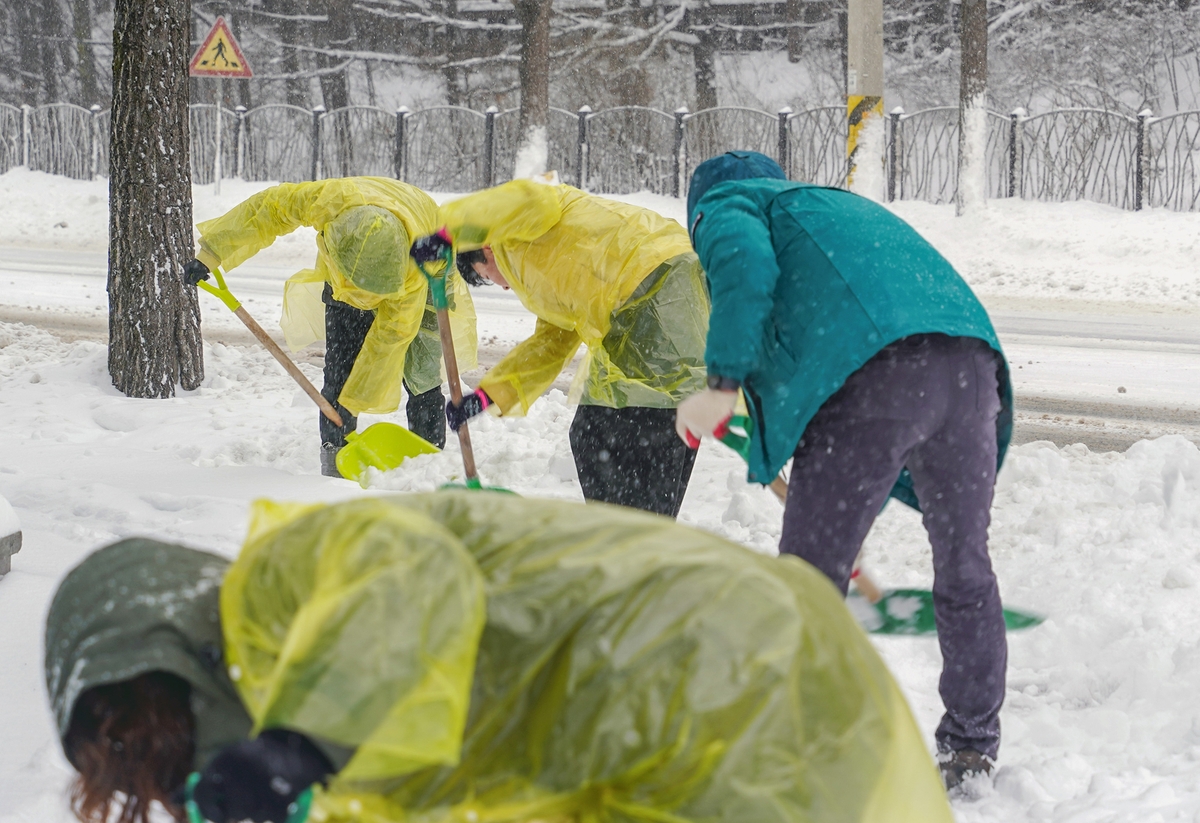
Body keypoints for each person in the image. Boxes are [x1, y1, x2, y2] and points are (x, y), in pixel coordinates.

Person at [46, 492, 955, 823]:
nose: (182, 772)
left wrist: (299, 745)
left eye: (158, 742)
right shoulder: (300, 709)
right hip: (699, 706)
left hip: (710, 673)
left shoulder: (284, 587)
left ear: (170, 652)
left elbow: (406, 578)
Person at [675, 151, 1014, 790]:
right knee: (966, 568)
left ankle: (796, 747)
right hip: (972, 368)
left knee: (808, 580)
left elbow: (746, 272)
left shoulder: (730, 203)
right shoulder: (830, 205)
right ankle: (972, 747)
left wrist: (721, 387)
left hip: (875, 377)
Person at [411, 179, 710, 518]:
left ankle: (631, 539)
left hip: (653, 283)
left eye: (487, 275)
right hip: (681, 283)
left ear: (487, 248)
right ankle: (644, 538)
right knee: (652, 423)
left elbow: (529, 196)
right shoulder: (543, 276)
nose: (503, 286)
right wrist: (487, 397)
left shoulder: (524, 226)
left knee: (611, 433)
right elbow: (551, 344)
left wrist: (448, 232)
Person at [184, 177, 477, 477]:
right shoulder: (332, 201)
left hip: (430, 256)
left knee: (422, 371)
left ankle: (426, 460)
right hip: (358, 243)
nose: (359, 299)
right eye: (353, 288)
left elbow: (387, 344)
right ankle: (335, 457)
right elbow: (267, 210)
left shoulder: (415, 275)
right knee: (340, 370)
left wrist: (354, 399)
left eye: (367, 294)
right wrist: (212, 253)